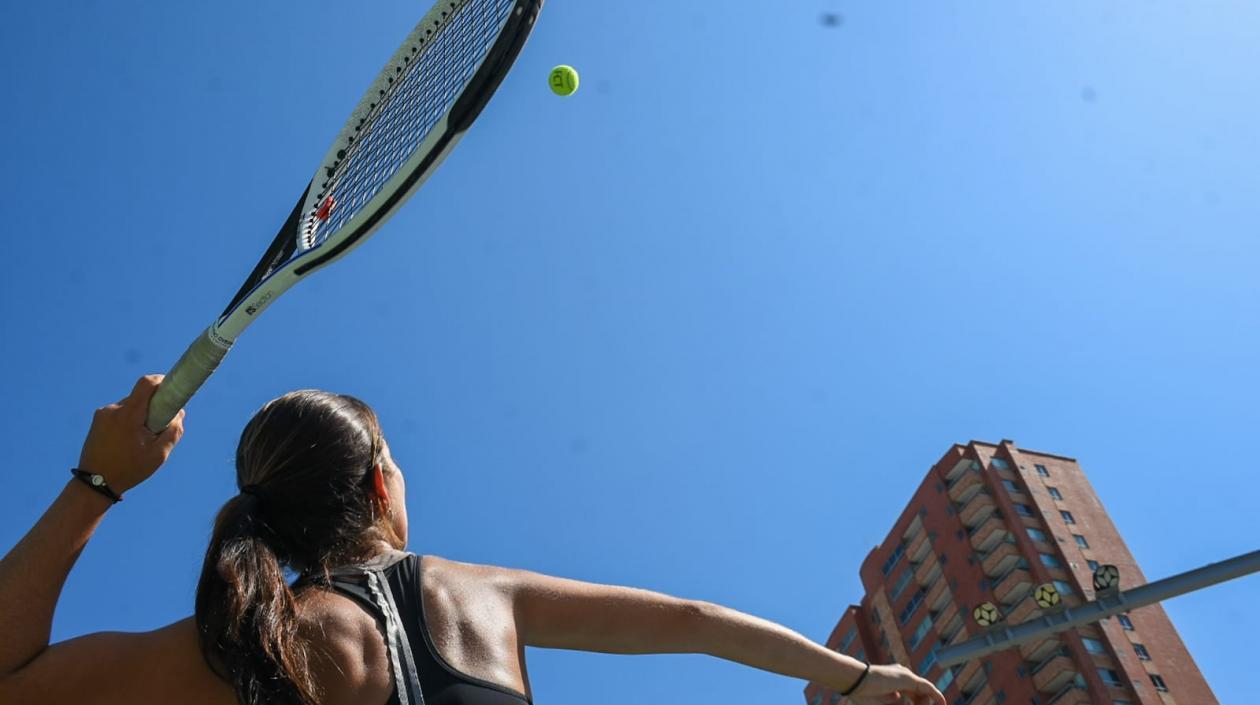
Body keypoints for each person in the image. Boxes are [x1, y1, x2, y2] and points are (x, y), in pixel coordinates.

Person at [0, 375, 946, 705]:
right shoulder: (478, 593)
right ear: (380, 483)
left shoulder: (247, 639)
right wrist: (859, 677)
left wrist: (96, 485)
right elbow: (696, 620)